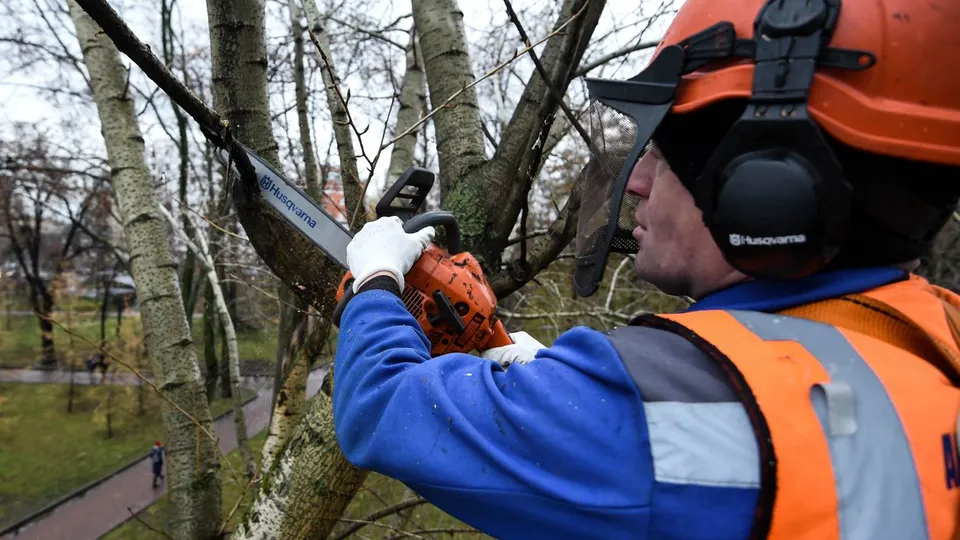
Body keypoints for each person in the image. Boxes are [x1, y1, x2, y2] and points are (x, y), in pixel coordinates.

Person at [332, 0, 960, 538]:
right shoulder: (938, 332)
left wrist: (377, 283)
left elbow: (380, 409)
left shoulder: (660, 401)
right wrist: (556, 387)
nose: (635, 182)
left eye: (662, 154)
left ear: (767, 188)